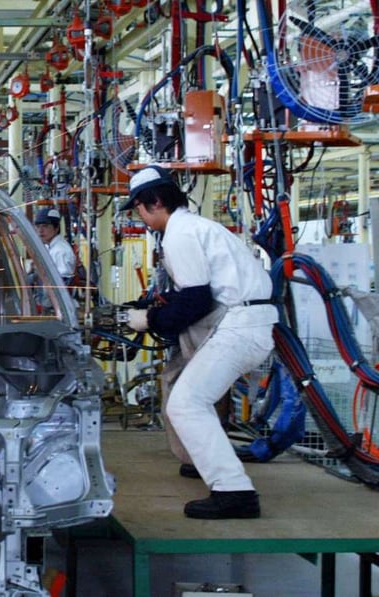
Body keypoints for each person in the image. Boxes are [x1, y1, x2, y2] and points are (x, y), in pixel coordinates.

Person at [121, 165, 277, 519]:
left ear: (155, 201)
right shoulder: (197, 227)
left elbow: (195, 302)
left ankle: (234, 492)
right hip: (245, 321)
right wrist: (154, 310)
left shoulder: (180, 234)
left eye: (139, 208)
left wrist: (149, 320)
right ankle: (203, 462)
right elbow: (191, 296)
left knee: (186, 403)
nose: (140, 216)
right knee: (187, 394)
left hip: (240, 326)